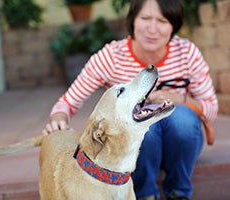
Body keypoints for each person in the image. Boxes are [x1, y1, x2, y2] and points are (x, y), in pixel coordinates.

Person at [43, 0, 218, 199]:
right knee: (139, 125)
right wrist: (58, 119)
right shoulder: (111, 56)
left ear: (173, 25)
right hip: (134, 153)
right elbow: (68, 102)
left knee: (183, 119)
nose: (152, 29)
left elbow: (212, 107)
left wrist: (179, 98)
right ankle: (145, 193)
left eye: (162, 21)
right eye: (145, 18)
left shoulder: (187, 52)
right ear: (133, 21)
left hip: (178, 148)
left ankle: (178, 190)